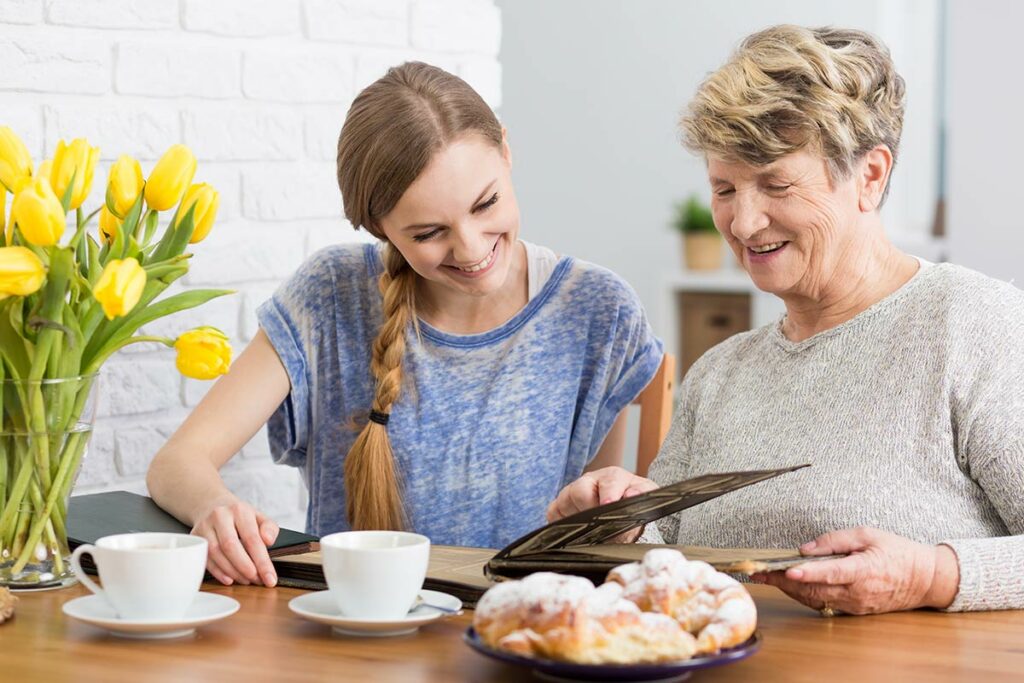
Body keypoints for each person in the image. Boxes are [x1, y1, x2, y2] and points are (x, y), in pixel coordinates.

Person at [548, 25, 1024, 614]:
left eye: (777, 184)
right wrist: (622, 525)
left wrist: (932, 575)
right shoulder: (720, 371)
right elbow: (669, 562)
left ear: (870, 176)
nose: (744, 224)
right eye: (724, 189)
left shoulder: (976, 326)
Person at [146, 62, 663, 588]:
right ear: (379, 226)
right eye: (429, 232)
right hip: (352, 634)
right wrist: (214, 507)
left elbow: (594, 535)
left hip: (515, 638)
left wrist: (614, 507)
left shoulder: (598, 310)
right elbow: (177, 463)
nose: (472, 248)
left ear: (506, 153)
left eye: (486, 203)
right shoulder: (330, 294)